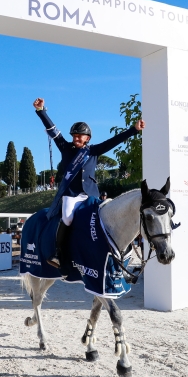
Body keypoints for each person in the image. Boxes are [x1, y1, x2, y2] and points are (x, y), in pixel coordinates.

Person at [32, 97, 145, 277]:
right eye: (74, 135)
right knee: (67, 219)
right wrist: (41, 111)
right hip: (71, 195)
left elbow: (114, 141)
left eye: (79, 136)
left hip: (92, 196)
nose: (75, 138)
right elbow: (52, 130)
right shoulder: (65, 148)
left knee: (103, 220)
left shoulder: (92, 151)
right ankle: (58, 254)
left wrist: (133, 129)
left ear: (87, 138)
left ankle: (113, 252)